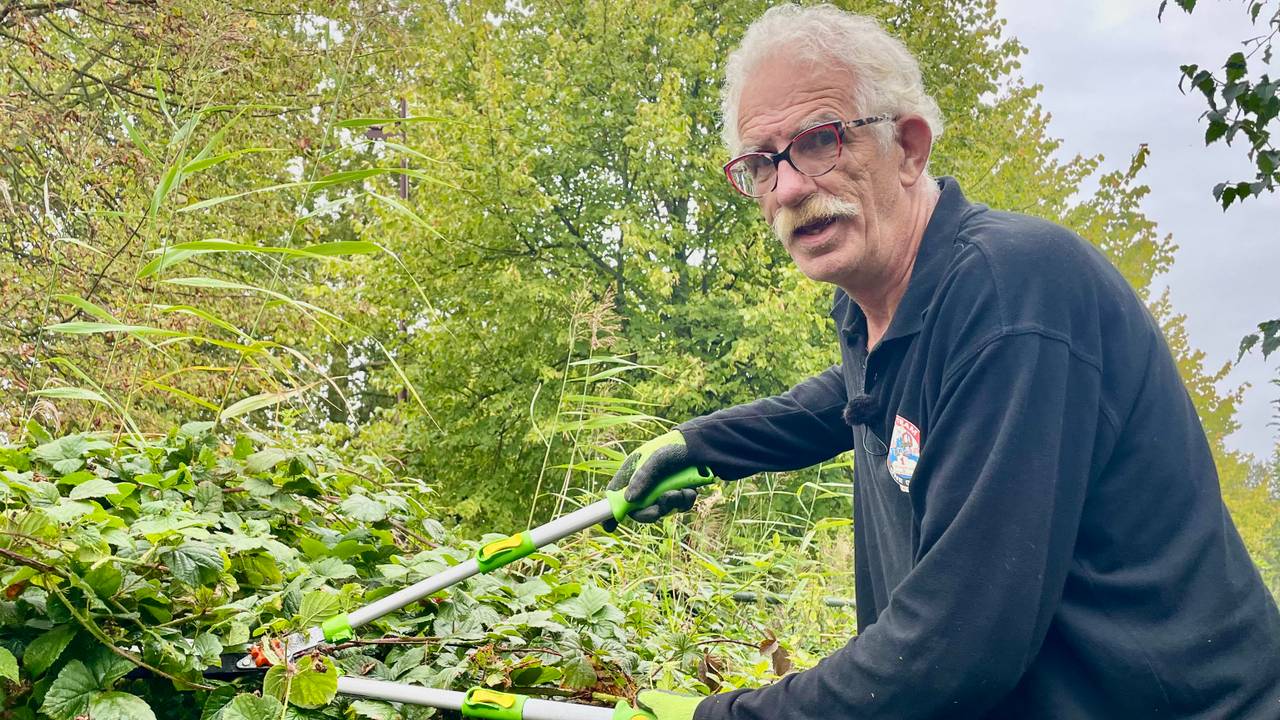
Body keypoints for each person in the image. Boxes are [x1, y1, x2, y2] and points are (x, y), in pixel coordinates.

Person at [611, 5, 1280, 719]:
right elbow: (857, 395)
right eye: (760, 164)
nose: (788, 188)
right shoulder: (885, 309)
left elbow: (951, 652)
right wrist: (702, 445)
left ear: (908, 148)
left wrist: (717, 716)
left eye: (819, 141)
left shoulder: (1013, 297)